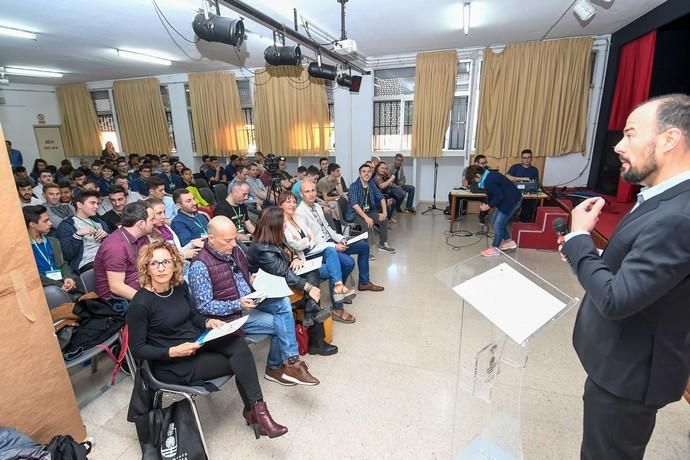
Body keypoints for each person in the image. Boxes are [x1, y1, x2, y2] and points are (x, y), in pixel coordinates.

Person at [558, 94, 690, 460]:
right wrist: (593, 252)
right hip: (621, 361)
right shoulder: (662, 198)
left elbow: (617, 299)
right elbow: (647, 271)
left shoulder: (679, 214)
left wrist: (580, 239)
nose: (618, 145)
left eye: (630, 134)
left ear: (669, 139)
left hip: (630, 372)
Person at [127, 241, 287, 438]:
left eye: (166, 262)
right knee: (239, 361)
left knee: (238, 344)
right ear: (146, 268)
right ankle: (256, 413)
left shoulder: (179, 286)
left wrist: (209, 321)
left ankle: (257, 412)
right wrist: (172, 351)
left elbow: (193, 316)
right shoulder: (140, 303)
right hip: (172, 362)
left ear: (175, 264)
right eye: (154, 263)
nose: (161, 268)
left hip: (196, 343)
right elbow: (138, 349)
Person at [189, 216, 322, 385]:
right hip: (230, 316)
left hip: (250, 300)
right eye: (228, 241)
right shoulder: (200, 266)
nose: (233, 244)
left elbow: (242, 274)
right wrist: (237, 303)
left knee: (283, 303)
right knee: (281, 323)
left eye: (235, 239)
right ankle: (277, 368)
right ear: (211, 239)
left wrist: (252, 279)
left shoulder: (234, 250)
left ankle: (291, 362)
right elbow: (204, 307)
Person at [246, 208, 337, 357]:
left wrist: (295, 258)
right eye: (283, 223)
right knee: (312, 294)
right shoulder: (262, 248)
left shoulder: (275, 238)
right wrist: (308, 287)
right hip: (269, 291)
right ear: (275, 225)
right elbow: (284, 273)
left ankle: (310, 313)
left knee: (313, 275)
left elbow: (290, 252)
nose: (286, 226)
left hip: (278, 282)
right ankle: (316, 340)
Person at [279, 191, 357, 323]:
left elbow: (311, 238)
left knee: (333, 259)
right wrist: (305, 241)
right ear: (280, 205)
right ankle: (338, 298)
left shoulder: (296, 218)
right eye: (288, 202)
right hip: (296, 264)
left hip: (305, 258)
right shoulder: (280, 223)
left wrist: (305, 241)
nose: (292, 204)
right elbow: (295, 245)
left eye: (293, 201)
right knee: (334, 262)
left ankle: (338, 289)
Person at [297, 179, 384, 293]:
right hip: (321, 249)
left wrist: (341, 238)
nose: (312, 194)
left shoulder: (317, 207)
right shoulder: (300, 213)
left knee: (364, 247)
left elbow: (327, 228)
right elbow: (312, 242)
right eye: (307, 191)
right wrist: (334, 246)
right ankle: (337, 292)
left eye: (313, 190)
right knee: (348, 263)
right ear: (301, 194)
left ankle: (364, 282)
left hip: (331, 242)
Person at [93, 201, 154, 311]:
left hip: (142, 287)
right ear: (141, 224)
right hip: (119, 302)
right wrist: (150, 301)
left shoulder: (142, 236)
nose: (154, 222)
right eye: (151, 219)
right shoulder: (115, 247)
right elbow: (117, 287)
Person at [24, 205, 82, 296]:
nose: (50, 223)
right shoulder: (24, 248)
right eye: (45, 221)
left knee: (80, 281)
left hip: (62, 280)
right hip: (45, 285)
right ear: (32, 224)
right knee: (55, 293)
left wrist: (68, 277)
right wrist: (59, 284)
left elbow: (63, 264)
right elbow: (34, 276)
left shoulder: (53, 241)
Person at [465, 165, 521, 256]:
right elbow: (494, 194)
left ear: (478, 175)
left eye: (474, 179)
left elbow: (499, 196)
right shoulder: (488, 176)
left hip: (512, 201)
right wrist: (487, 203)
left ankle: (495, 248)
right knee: (494, 221)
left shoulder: (488, 180)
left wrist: (488, 206)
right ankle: (509, 242)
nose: (475, 182)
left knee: (498, 224)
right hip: (506, 200)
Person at [347, 163, 396, 254]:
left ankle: (383, 244)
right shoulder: (354, 186)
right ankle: (366, 250)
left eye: (369, 172)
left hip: (368, 211)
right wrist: (366, 218)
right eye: (364, 171)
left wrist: (384, 213)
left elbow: (381, 197)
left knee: (383, 219)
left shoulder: (371, 184)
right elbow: (354, 205)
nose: (367, 174)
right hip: (355, 214)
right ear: (359, 174)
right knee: (367, 223)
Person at [57, 190, 110, 273]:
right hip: (88, 263)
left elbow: (113, 243)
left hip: (108, 258)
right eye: (92, 203)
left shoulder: (99, 221)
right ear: (79, 205)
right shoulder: (66, 225)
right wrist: (78, 235)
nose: (96, 206)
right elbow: (67, 255)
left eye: (97, 203)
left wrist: (106, 236)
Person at [506, 149, 540, 222]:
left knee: (530, 203)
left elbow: (535, 183)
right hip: (515, 192)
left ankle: (523, 220)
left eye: (528, 157)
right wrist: (523, 179)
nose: (526, 160)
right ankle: (509, 217)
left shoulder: (534, 170)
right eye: (524, 158)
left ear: (531, 159)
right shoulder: (515, 167)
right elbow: (507, 177)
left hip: (528, 193)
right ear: (521, 158)